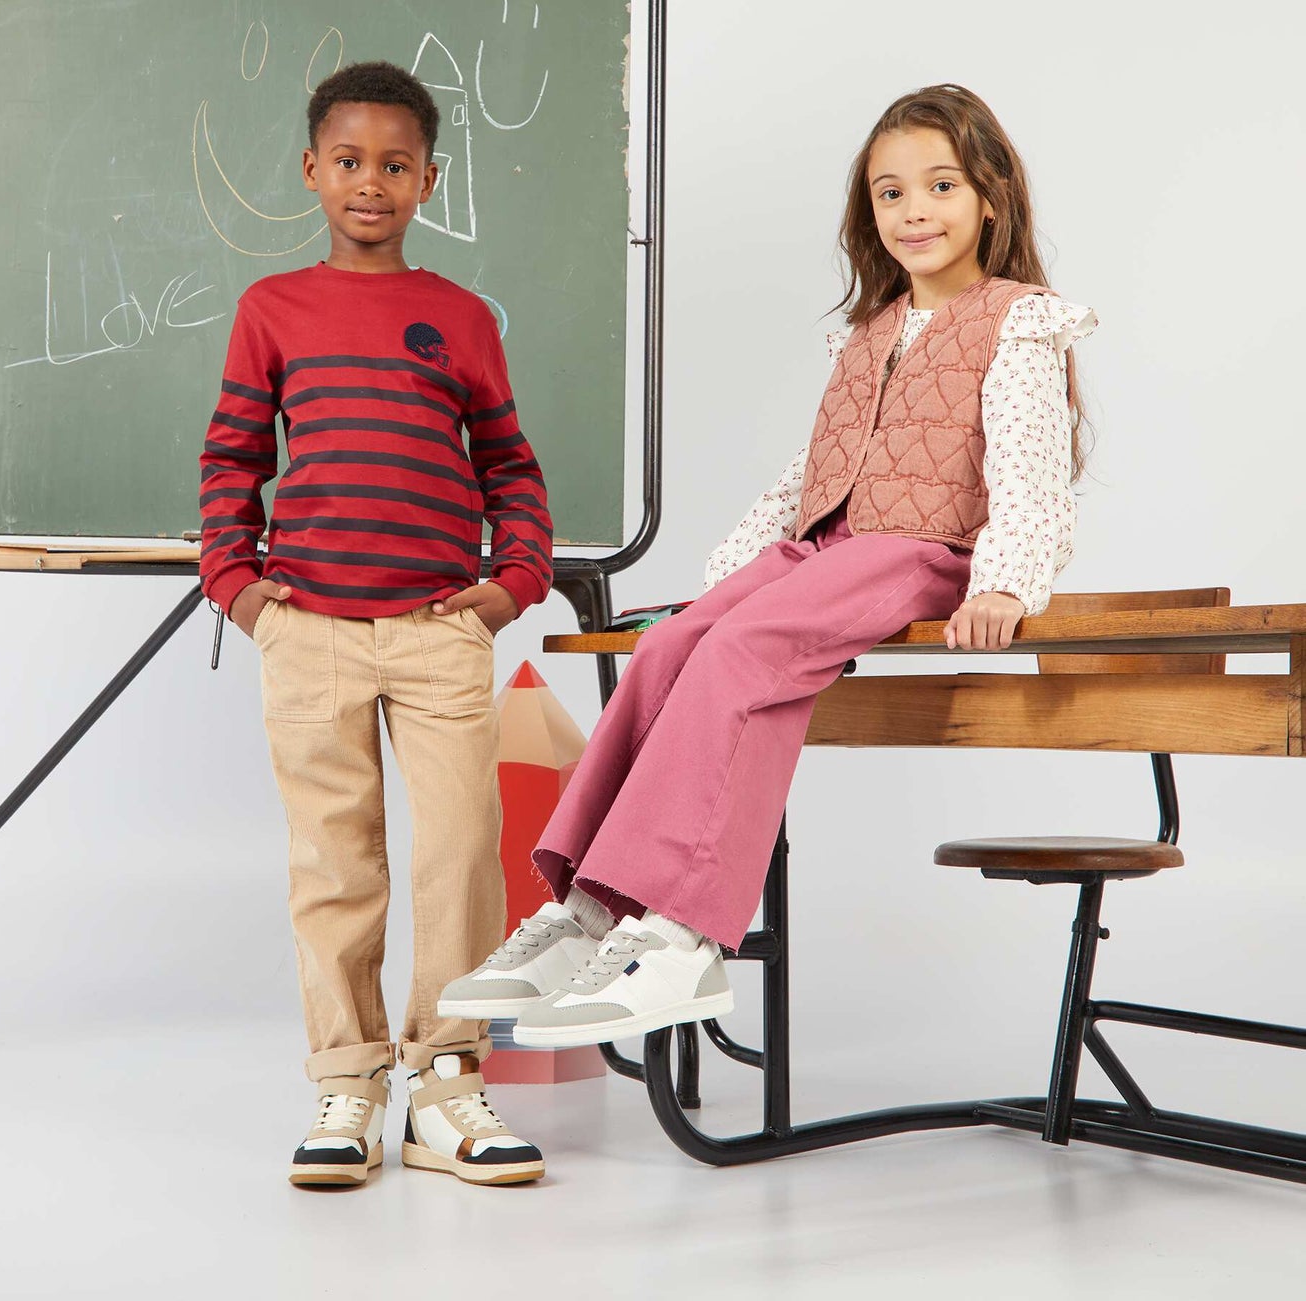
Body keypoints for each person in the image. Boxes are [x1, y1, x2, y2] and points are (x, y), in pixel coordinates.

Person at [440, 83, 1093, 1048]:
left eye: (940, 186)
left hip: (921, 547)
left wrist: (1005, 578)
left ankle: (684, 930)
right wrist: (728, 574)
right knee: (671, 650)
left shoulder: (1019, 322)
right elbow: (815, 469)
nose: (914, 212)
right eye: (889, 194)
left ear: (989, 197)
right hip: (826, 544)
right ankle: (589, 906)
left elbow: (1029, 464)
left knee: (744, 653)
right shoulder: (868, 333)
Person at [199, 61, 552, 1186]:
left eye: (394, 164)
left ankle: (444, 1090)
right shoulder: (272, 310)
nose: (370, 181)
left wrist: (510, 585)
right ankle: (347, 1081)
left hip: (439, 627)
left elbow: (508, 464)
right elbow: (233, 459)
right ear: (312, 171)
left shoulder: (457, 317)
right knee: (335, 860)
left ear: (427, 180)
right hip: (308, 627)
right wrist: (242, 590)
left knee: (457, 855)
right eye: (348, 161)